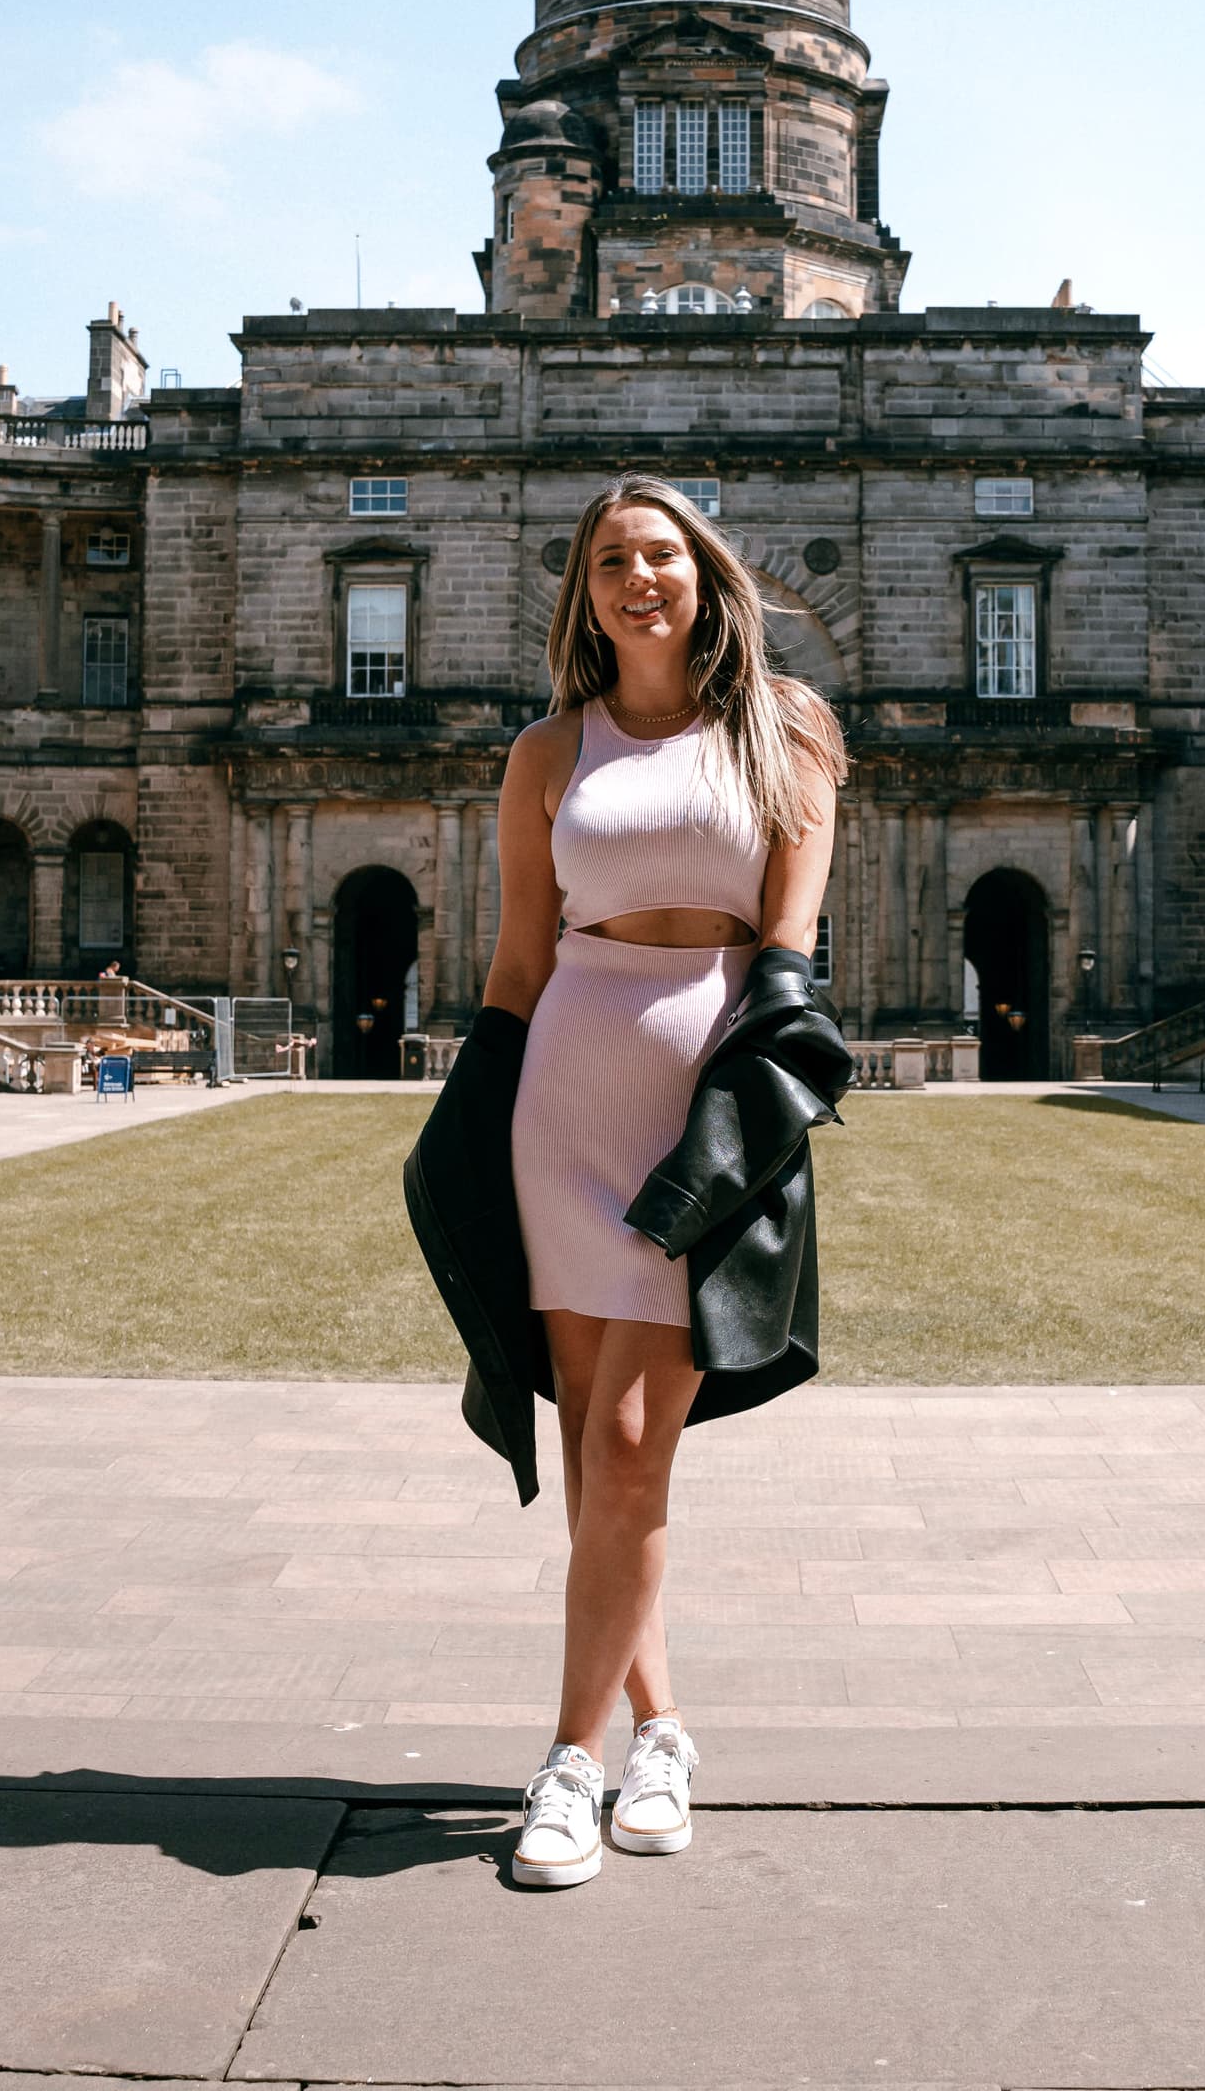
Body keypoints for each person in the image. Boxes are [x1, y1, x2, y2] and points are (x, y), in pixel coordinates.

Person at [468, 475, 845, 1888]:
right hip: (563, 1094)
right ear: (588, 591)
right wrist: (468, 1121)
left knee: (632, 1451)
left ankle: (567, 1767)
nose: (640, 577)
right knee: (594, 1459)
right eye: (613, 559)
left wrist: (745, 1118)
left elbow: (791, 954)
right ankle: (660, 1733)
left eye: (663, 555)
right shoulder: (545, 752)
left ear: (706, 576)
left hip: (708, 1102)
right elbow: (516, 963)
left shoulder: (789, 728)